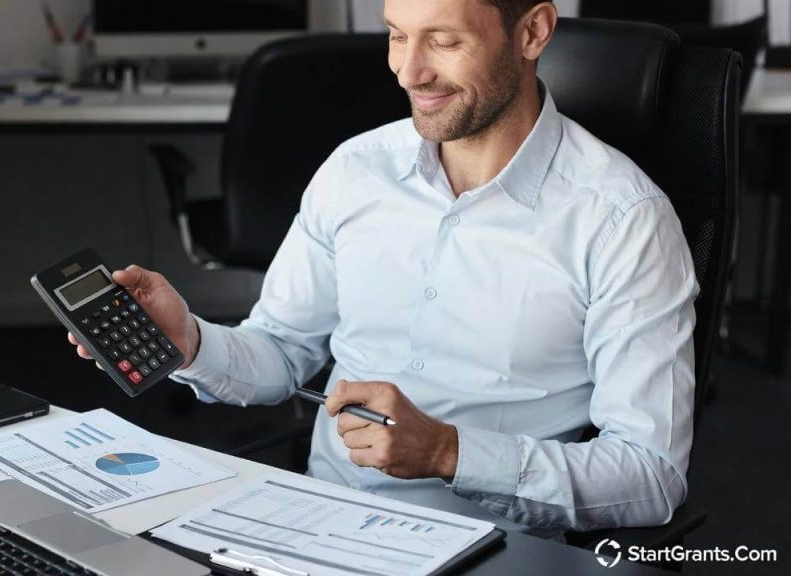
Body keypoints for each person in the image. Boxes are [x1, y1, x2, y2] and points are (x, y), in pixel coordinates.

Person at [70, 0, 697, 535]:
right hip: (318, 518)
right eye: (397, 36)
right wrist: (189, 341)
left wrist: (451, 453)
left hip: (495, 544)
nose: (409, 71)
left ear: (532, 33)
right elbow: (282, 354)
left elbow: (650, 475)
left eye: (445, 42)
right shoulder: (355, 169)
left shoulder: (624, 219)